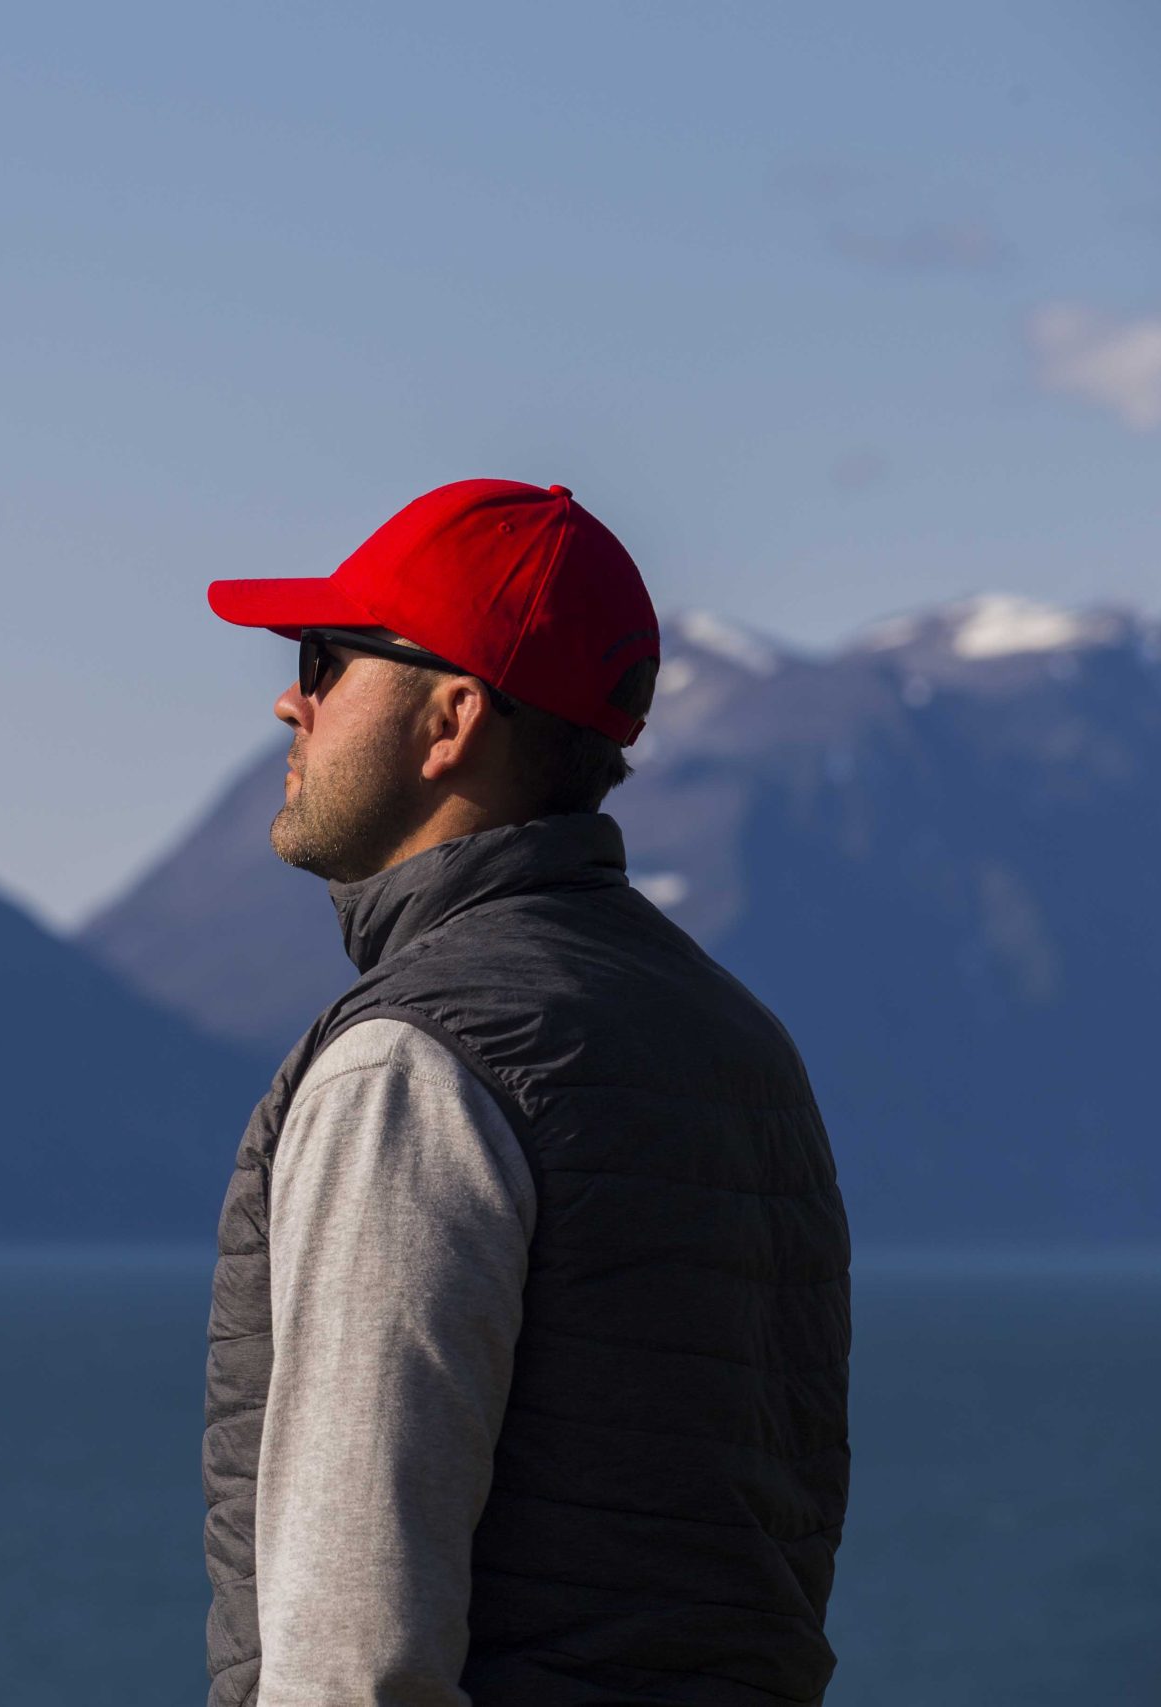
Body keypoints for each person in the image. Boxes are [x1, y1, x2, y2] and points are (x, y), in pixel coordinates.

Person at [197, 479, 850, 1707]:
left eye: (326, 658)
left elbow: (352, 1655)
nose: (291, 698)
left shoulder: (414, 1062)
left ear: (450, 718)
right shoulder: (739, 1043)